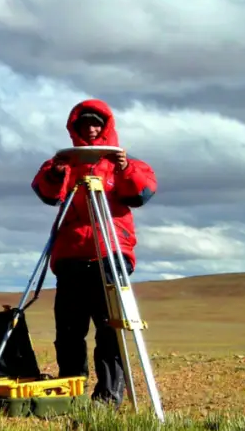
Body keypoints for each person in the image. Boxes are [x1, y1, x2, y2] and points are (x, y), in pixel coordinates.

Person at [30, 99, 158, 406]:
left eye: (96, 123)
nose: (90, 129)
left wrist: (125, 168)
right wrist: (59, 171)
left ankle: (108, 397)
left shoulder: (126, 163)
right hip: (72, 256)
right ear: (74, 128)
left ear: (106, 127)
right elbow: (46, 193)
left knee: (110, 327)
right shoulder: (61, 164)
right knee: (69, 331)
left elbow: (141, 193)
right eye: (84, 124)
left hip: (111, 252)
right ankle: (71, 395)